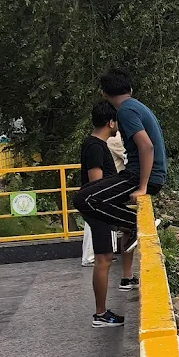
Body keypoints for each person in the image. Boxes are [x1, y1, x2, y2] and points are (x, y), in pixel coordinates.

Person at [74, 69, 167, 253]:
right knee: (89, 195)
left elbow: (146, 146)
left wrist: (142, 186)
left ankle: (135, 224)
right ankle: (131, 225)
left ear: (104, 93)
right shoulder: (135, 106)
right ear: (130, 88)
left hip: (139, 176)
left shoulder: (125, 111)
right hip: (142, 174)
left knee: (83, 199)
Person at [76, 101, 137, 328]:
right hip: (98, 206)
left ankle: (124, 279)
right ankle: (100, 314)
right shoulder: (95, 147)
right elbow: (96, 184)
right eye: (116, 122)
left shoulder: (96, 144)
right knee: (103, 259)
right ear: (110, 122)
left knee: (127, 230)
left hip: (100, 205)